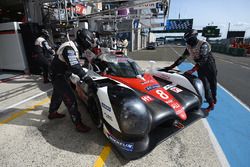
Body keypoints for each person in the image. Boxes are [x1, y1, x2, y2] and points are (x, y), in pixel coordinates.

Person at [48, 29, 95, 133]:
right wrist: (86, 78)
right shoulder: (69, 48)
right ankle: (78, 124)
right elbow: (75, 66)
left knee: (58, 94)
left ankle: (52, 113)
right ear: (85, 41)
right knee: (70, 99)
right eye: (88, 44)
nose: (88, 48)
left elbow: (73, 63)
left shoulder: (73, 47)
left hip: (59, 74)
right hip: (58, 75)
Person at [164, 29, 217, 112]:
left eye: (189, 39)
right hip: (200, 67)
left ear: (195, 37)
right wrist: (171, 66)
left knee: (213, 84)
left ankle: (214, 98)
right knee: (205, 86)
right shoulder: (188, 46)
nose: (188, 41)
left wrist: (192, 70)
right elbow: (182, 57)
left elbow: (204, 59)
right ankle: (211, 104)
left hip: (209, 65)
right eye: (186, 39)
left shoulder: (203, 44)